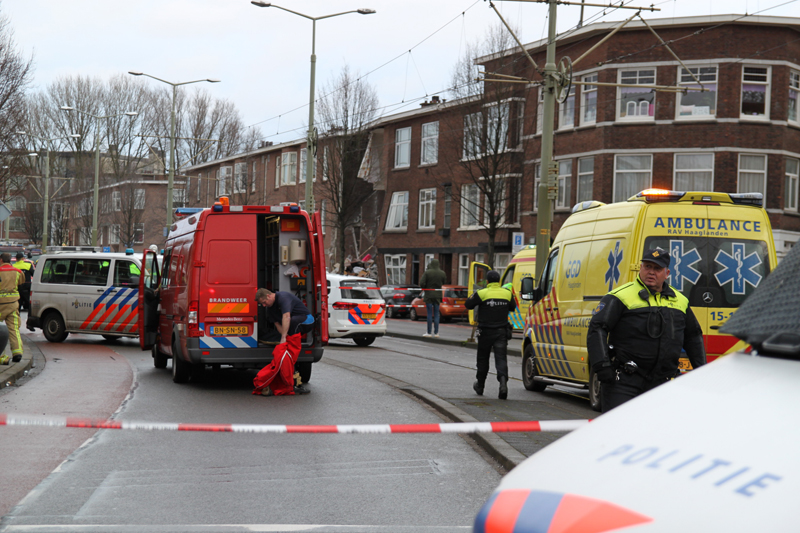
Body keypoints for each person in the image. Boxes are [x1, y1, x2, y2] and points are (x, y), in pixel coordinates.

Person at [587, 247, 706, 413]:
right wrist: (602, 367)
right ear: (640, 268)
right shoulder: (620, 296)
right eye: (647, 266)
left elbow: (693, 336)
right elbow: (597, 328)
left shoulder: (681, 301)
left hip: (662, 384)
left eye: (657, 269)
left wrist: (703, 373)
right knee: (619, 434)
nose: (651, 272)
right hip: (624, 382)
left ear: (667, 273)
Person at [253, 288, 315, 395]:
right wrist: (284, 339)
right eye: (261, 304)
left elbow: (286, 317)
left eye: (264, 302)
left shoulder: (283, 297)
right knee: (286, 352)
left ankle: (294, 382)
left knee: (293, 324)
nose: (263, 305)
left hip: (307, 321)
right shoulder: (270, 309)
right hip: (292, 325)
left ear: (269, 296)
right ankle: (291, 381)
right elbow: (278, 326)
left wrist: (283, 338)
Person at [465, 270, 516, 399]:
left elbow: (468, 305)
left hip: (485, 332)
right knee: (501, 358)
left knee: (482, 359)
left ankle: (480, 385)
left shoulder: (482, 293)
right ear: (499, 281)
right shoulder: (507, 293)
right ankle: (503, 384)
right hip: (501, 332)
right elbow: (512, 307)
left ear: (487, 281)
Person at [0, 253, 24, 364]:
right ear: (10, 260)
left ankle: (2, 356)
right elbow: (21, 283)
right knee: (14, 329)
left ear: (1, 260)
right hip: (13, 305)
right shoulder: (18, 272)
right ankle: (17, 353)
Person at [419, 258, 446, 338]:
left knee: (430, 314)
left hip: (429, 295)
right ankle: (436, 333)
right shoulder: (442, 273)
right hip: (437, 295)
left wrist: (425, 287)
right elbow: (444, 282)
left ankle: (429, 332)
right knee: (437, 314)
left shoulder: (427, 272)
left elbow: (422, 283)